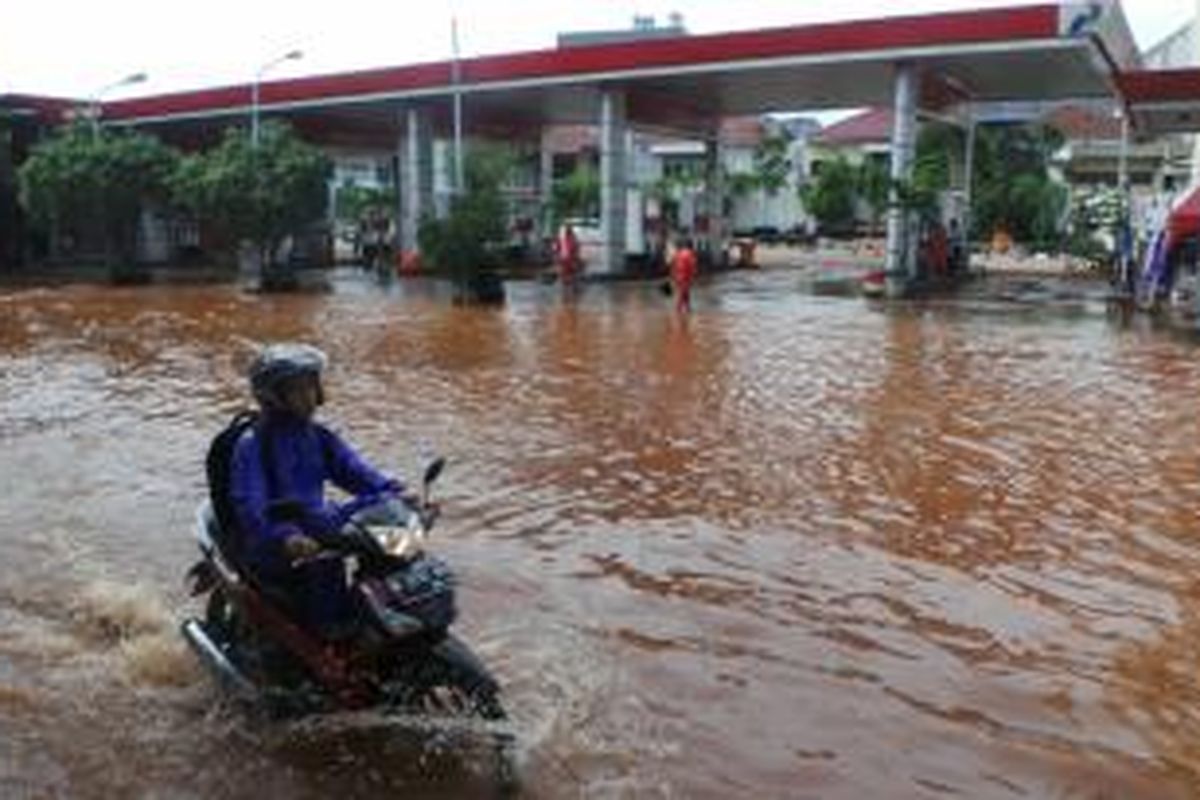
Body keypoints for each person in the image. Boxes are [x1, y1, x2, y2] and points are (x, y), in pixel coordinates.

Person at [229, 343, 403, 637]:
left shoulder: (318, 436)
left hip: (318, 526)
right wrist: (287, 536)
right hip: (279, 541)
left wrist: (395, 492)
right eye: (300, 389)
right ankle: (325, 644)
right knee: (328, 571)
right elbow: (251, 507)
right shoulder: (253, 445)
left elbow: (354, 470)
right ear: (275, 396)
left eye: (312, 386)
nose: (312, 396)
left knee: (390, 555)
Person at [670, 236, 698, 314]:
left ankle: (688, 308)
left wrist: (673, 276)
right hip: (685, 277)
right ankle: (678, 311)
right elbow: (692, 267)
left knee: (685, 293)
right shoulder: (690, 254)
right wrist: (693, 276)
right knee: (683, 294)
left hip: (678, 276)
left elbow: (673, 266)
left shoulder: (677, 254)